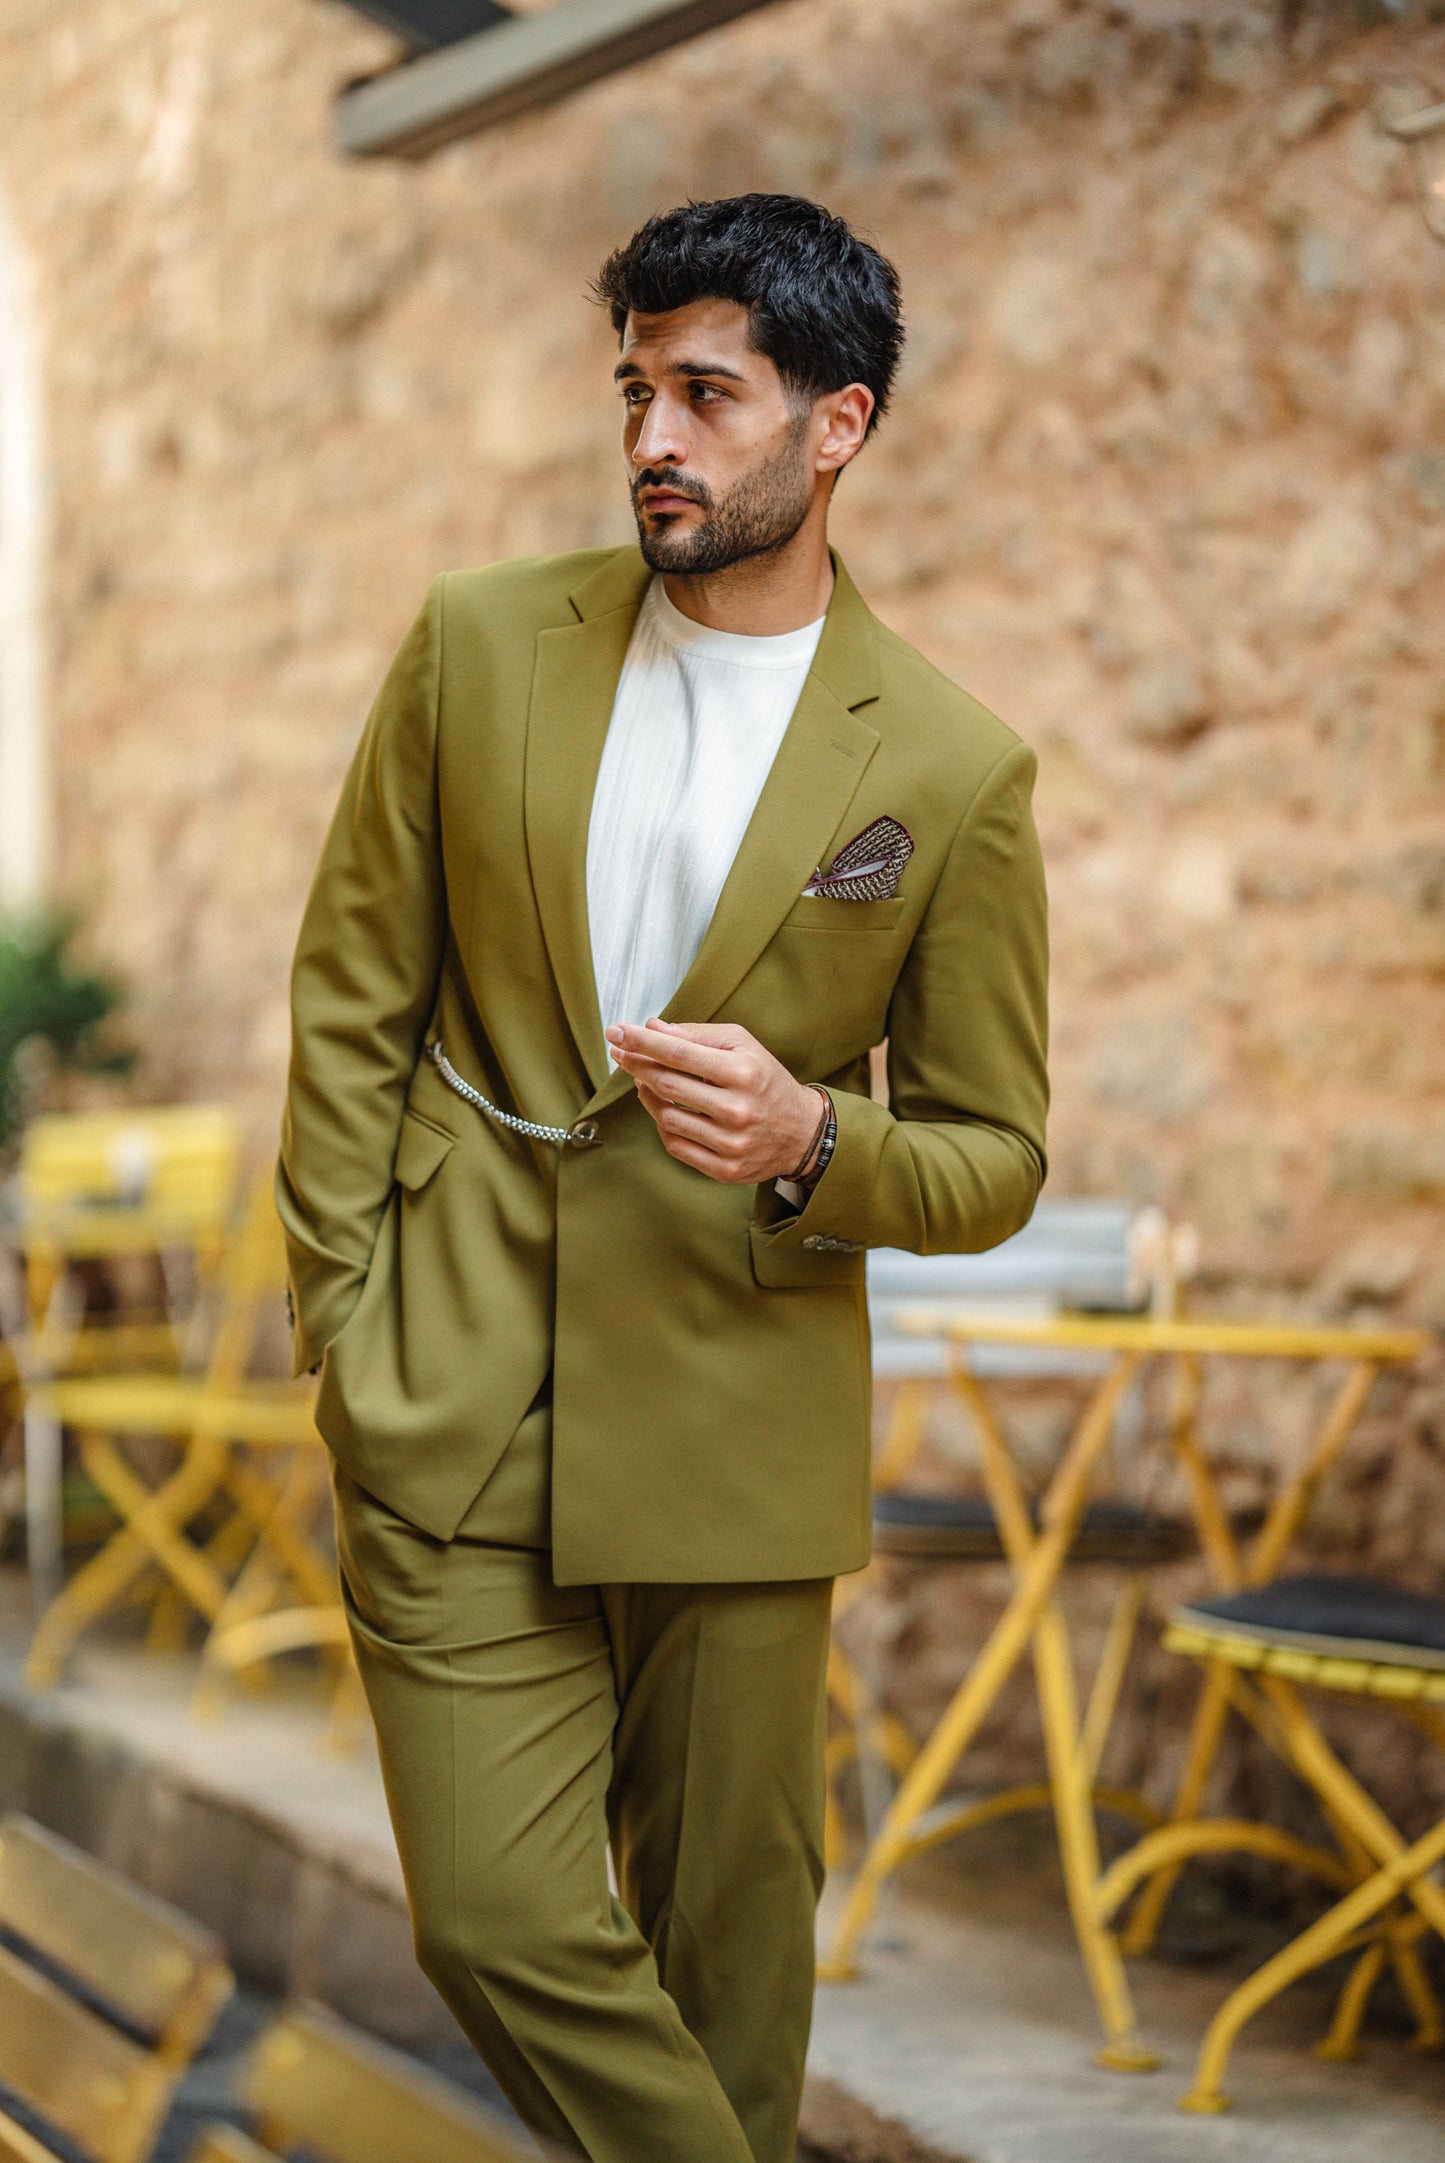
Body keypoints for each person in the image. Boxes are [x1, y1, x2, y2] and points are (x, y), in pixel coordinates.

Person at [278, 193, 1048, 2163]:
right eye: (635, 386)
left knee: (728, 1966)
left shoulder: (952, 769)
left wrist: (817, 1138)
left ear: (836, 424)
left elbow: (992, 1154)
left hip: (732, 1410)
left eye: (708, 391)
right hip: (447, 1385)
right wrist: (348, 1325)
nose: (652, 434)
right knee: (497, 1913)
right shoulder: (474, 644)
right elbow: (354, 999)